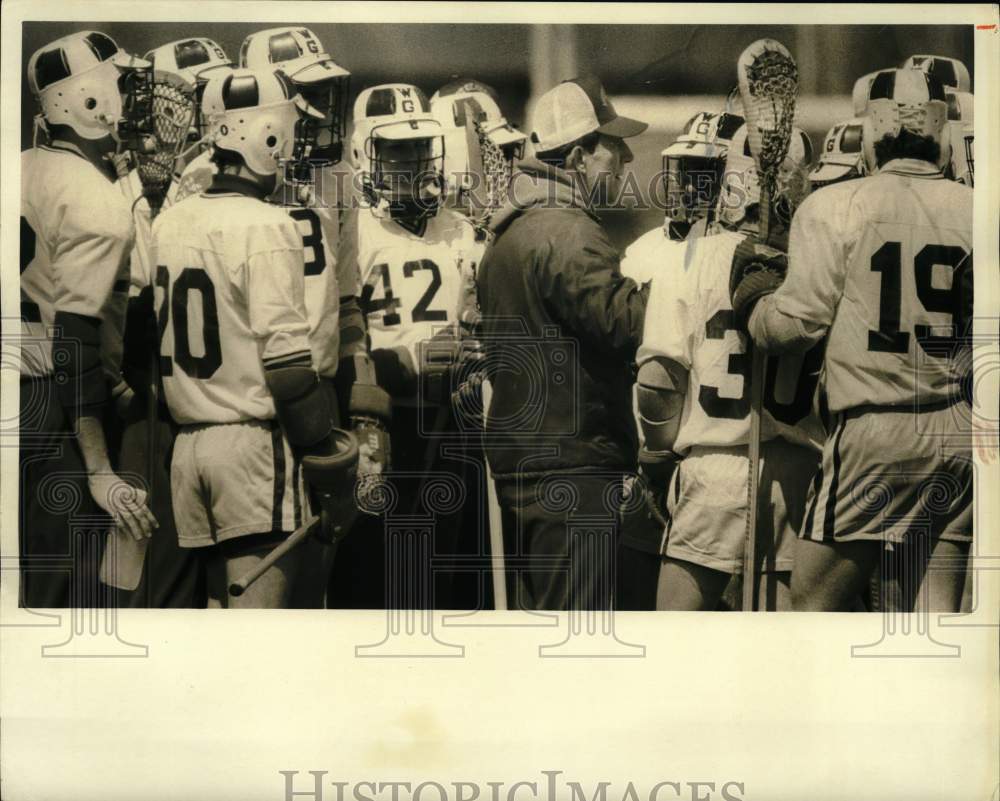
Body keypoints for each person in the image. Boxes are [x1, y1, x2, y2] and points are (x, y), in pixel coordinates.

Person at [734, 67, 973, 612]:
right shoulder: (978, 209)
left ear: (872, 133)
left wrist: (755, 297)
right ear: (941, 133)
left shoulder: (835, 206)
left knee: (812, 611)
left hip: (874, 431)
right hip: (959, 432)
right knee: (932, 621)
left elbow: (793, 329)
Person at [147, 67, 353, 608]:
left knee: (221, 620)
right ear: (266, 135)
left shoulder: (169, 222)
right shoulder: (267, 225)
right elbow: (287, 371)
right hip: (254, 446)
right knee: (267, 634)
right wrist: (325, 462)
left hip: (190, 444)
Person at [476, 74, 648, 611]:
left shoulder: (511, 229)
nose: (625, 159)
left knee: (539, 636)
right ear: (576, 158)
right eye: (612, 146)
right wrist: (676, 286)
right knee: (576, 638)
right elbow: (624, 325)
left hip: (524, 465)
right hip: (573, 466)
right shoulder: (569, 229)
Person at [637, 123, 820, 612]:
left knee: (677, 640)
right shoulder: (819, 263)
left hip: (712, 467)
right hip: (797, 471)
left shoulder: (689, 258)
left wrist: (657, 455)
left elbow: (658, 381)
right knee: (782, 642)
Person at [329, 83, 486, 610]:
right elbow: (339, 338)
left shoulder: (460, 230)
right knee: (371, 583)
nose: (415, 161)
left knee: (442, 586)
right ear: (364, 153)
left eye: (421, 147)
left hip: (452, 427)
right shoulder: (353, 231)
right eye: (397, 149)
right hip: (381, 429)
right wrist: (410, 363)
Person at [20, 30, 158, 608]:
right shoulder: (95, 199)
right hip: (56, 407)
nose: (133, 97)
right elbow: (74, 339)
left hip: (19, 387)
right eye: (121, 83)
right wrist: (99, 468)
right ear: (87, 98)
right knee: (65, 595)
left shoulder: (19, 167)